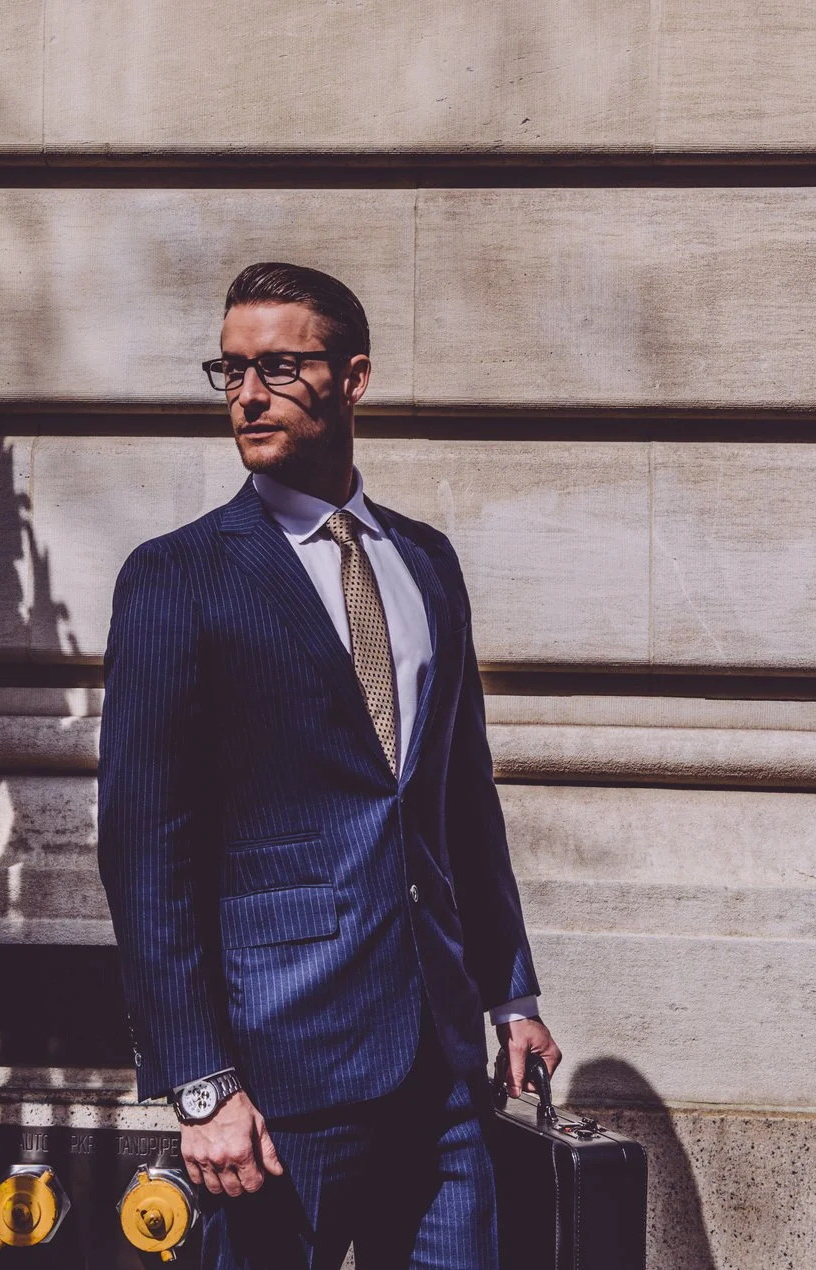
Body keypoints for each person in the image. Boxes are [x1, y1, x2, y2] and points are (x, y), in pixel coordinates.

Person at [97, 262, 561, 1268]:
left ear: (351, 379)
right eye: (231, 369)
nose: (249, 394)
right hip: (276, 1074)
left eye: (279, 366)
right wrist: (202, 1084)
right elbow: (142, 855)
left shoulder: (424, 559)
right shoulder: (179, 576)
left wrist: (508, 991)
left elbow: (459, 799)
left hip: (438, 1057)